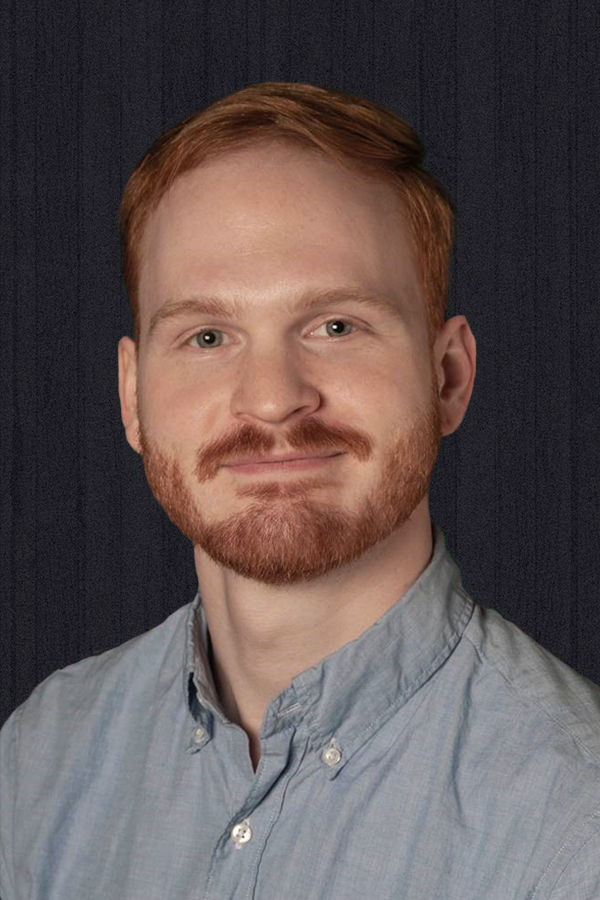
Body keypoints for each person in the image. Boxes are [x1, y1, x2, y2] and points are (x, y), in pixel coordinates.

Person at [1, 82, 599, 900]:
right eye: (207, 336)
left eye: (336, 326)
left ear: (449, 376)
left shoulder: (576, 818)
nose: (273, 398)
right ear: (132, 397)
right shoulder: (40, 756)